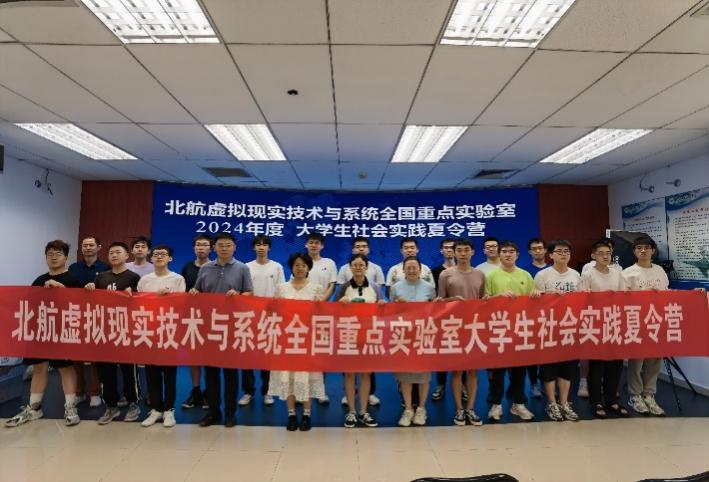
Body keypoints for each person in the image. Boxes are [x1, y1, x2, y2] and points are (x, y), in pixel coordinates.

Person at [5, 240, 81, 428]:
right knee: (39, 367)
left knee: (65, 368)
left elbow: (80, 305)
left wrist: (62, 290)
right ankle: (34, 408)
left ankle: (70, 407)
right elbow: (29, 304)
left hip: (62, 331)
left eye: (58, 253)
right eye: (50, 254)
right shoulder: (39, 280)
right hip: (40, 330)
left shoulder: (73, 279)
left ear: (66, 257)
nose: (53, 257)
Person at [190, 232, 253, 427]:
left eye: (228, 245)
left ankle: (230, 413)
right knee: (211, 373)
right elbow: (198, 291)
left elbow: (250, 293)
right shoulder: (205, 268)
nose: (224, 248)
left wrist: (239, 295)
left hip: (232, 327)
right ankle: (213, 412)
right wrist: (194, 292)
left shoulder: (242, 268)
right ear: (214, 248)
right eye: (220, 245)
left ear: (234, 247)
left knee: (230, 373)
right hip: (209, 327)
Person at [85, 241, 141, 425]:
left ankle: (133, 404)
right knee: (105, 372)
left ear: (127, 256)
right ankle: (111, 406)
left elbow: (142, 303)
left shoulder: (134, 277)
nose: (114, 255)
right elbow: (92, 302)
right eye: (111, 253)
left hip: (126, 331)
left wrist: (133, 294)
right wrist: (90, 288)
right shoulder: (101, 277)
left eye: (118, 252)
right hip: (104, 331)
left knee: (128, 371)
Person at [269, 252, 325, 431]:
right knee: (288, 378)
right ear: (291, 267)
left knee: (306, 377)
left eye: (303, 265)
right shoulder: (281, 288)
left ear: (308, 268)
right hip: (286, 340)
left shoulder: (317, 289)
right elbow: (273, 311)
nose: (300, 268)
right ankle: (291, 415)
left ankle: (307, 415)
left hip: (307, 340)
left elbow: (321, 315)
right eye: (296, 265)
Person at [484, 240, 539, 422]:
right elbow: (484, 301)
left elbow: (533, 301)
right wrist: (498, 297)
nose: (508, 254)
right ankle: (496, 404)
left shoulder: (525, 275)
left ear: (517, 255)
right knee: (498, 370)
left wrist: (536, 294)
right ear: (499, 255)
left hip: (520, 329)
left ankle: (518, 404)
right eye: (504, 251)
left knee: (519, 370)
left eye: (511, 251)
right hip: (498, 328)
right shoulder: (491, 275)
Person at [437, 238, 486, 426]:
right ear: (454, 252)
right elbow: (439, 302)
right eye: (460, 250)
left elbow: (482, 300)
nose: (463, 253)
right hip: (454, 328)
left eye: (467, 250)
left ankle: (471, 409)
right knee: (456, 372)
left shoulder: (480, 274)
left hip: (474, 327)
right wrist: (452, 301)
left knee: (473, 371)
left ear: (472, 252)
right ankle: (459, 409)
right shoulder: (445, 274)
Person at [579, 239, 629, 419]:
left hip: (614, 322)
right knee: (597, 366)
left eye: (608, 253)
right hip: (595, 324)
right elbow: (581, 300)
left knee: (615, 365)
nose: (605, 256)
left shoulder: (617, 274)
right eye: (601, 253)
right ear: (593, 256)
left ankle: (612, 400)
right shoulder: (587, 275)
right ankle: (596, 401)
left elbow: (624, 297)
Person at [137, 244, 186, 428]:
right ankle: (156, 409)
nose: (159, 257)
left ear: (170, 258)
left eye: (163, 254)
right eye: (156, 254)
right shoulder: (144, 280)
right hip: (149, 331)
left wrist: (168, 297)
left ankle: (169, 409)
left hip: (169, 331)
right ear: (151, 258)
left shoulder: (177, 279)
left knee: (169, 374)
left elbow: (182, 305)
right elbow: (138, 304)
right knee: (152, 373)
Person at [622, 235, 670, 416]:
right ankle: (635, 395)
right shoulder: (628, 273)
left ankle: (649, 394)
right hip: (637, 321)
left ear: (653, 251)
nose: (643, 251)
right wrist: (643, 293)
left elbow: (667, 294)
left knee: (654, 359)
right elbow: (622, 299)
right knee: (637, 360)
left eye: (647, 248)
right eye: (639, 248)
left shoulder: (660, 271)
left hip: (656, 321)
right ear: (634, 251)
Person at [336, 254, 386, 428]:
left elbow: (382, 310)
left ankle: (363, 411)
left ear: (366, 267)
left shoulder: (375, 287)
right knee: (349, 374)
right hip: (348, 336)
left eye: (361, 265)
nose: (358, 268)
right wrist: (340, 303)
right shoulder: (344, 287)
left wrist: (382, 305)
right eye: (355, 265)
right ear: (350, 267)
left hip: (368, 336)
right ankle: (351, 411)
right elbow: (333, 311)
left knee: (366, 374)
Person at [534, 240, 581, 422]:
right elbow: (536, 303)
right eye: (559, 251)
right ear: (551, 255)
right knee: (549, 368)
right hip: (549, 328)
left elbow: (582, 300)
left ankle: (564, 402)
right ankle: (552, 403)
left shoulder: (575, 275)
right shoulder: (542, 275)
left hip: (570, 327)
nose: (563, 254)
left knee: (568, 368)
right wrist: (541, 296)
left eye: (566, 251)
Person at [391, 256, 436, 427]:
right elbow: (391, 312)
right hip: (403, 337)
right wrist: (398, 305)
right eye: (408, 268)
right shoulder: (396, 287)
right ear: (403, 270)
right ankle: (408, 409)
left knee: (424, 375)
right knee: (405, 376)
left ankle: (421, 409)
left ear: (420, 269)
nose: (411, 270)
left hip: (424, 336)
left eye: (414, 267)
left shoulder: (429, 288)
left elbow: (435, 311)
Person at [242, 234, 285, 407]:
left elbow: (281, 291)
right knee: (247, 356)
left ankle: (267, 391)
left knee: (267, 356)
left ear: (269, 248)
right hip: (249, 317)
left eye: (264, 244)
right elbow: (243, 291)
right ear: (253, 248)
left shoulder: (277, 267)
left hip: (270, 317)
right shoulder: (246, 267)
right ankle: (248, 391)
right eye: (258, 245)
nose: (261, 247)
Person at [68, 235, 109, 408]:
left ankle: (95, 392)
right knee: (76, 357)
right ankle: (79, 392)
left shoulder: (106, 268)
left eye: (91, 245)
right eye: (85, 245)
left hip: (97, 316)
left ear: (99, 247)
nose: (88, 247)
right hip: (76, 315)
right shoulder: (74, 268)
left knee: (94, 357)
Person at [303, 232, 337, 404]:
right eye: (311, 242)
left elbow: (332, 284)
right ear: (306, 245)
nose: (314, 245)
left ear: (322, 246)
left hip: (323, 312)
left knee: (321, 351)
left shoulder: (329, 263)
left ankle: (320, 391)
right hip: (303, 313)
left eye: (317, 243)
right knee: (304, 352)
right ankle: (303, 391)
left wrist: (323, 300)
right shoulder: (301, 261)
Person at [180, 234, 212, 410]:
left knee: (209, 358)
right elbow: (181, 292)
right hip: (192, 318)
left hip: (211, 319)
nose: (201, 248)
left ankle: (209, 392)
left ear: (211, 248)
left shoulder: (216, 267)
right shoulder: (187, 267)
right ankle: (196, 390)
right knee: (194, 357)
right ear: (194, 248)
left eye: (205, 245)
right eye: (198, 244)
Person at [430, 238, 456, 402]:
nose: (449, 250)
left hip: (463, 318)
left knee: (462, 353)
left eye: (452, 247)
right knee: (442, 354)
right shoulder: (435, 272)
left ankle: (463, 385)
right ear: (441, 251)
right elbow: (435, 297)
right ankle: (440, 385)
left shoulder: (466, 270)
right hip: (442, 318)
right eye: (446, 248)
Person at [521, 238, 547, 399]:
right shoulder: (524, 271)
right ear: (529, 252)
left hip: (550, 318)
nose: (538, 251)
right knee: (531, 354)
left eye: (540, 248)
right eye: (534, 248)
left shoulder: (552, 269)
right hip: (530, 318)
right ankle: (534, 384)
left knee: (547, 353)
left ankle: (546, 381)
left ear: (545, 250)